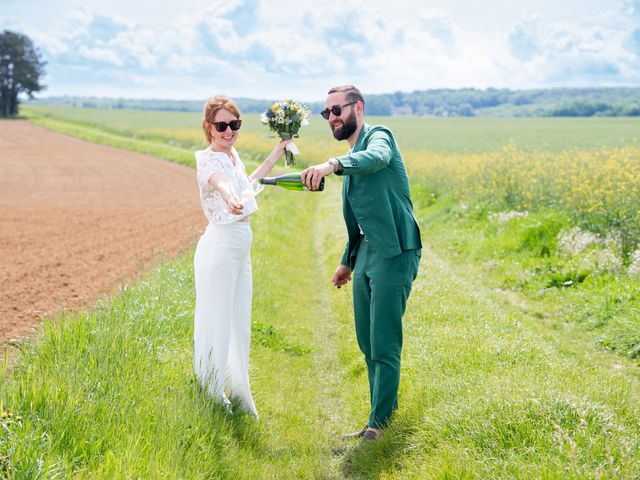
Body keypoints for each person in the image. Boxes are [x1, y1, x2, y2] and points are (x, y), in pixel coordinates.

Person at [301, 85, 422, 441]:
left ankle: (380, 425)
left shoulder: (379, 137)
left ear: (359, 107)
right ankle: (377, 417)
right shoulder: (352, 156)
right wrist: (347, 261)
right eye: (327, 114)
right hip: (368, 252)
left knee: (384, 341)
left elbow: (379, 158)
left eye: (337, 110)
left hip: (396, 250)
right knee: (367, 342)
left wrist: (333, 164)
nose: (332, 118)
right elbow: (359, 217)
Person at [193, 95, 289, 416]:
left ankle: (238, 388)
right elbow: (223, 186)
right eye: (222, 125)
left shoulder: (232, 156)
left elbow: (247, 184)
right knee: (218, 318)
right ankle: (213, 388)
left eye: (234, 124)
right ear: (209, 128)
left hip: (239, 250)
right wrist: (230, 196)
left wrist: (278, 149)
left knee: (238, 320)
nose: (229, 131)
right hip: (220, 249)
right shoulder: (209, 159)